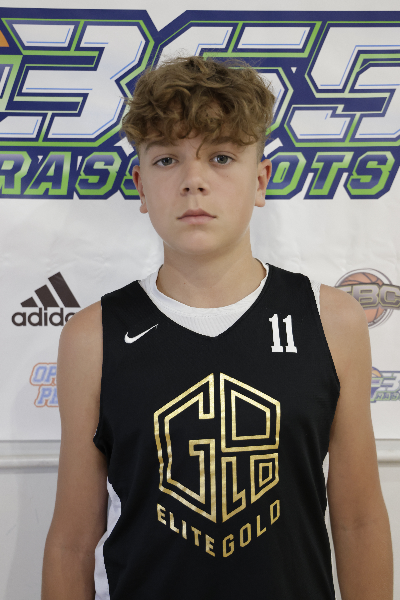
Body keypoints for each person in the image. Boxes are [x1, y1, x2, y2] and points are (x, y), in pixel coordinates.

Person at [41, 55, 393, 600]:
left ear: (260, 180)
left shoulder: (332, 320)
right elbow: (71, 543)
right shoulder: (93, 336)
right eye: (167, 160)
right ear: (140, 184)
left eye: (221, 157)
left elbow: (359, 521)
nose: (193, 182)